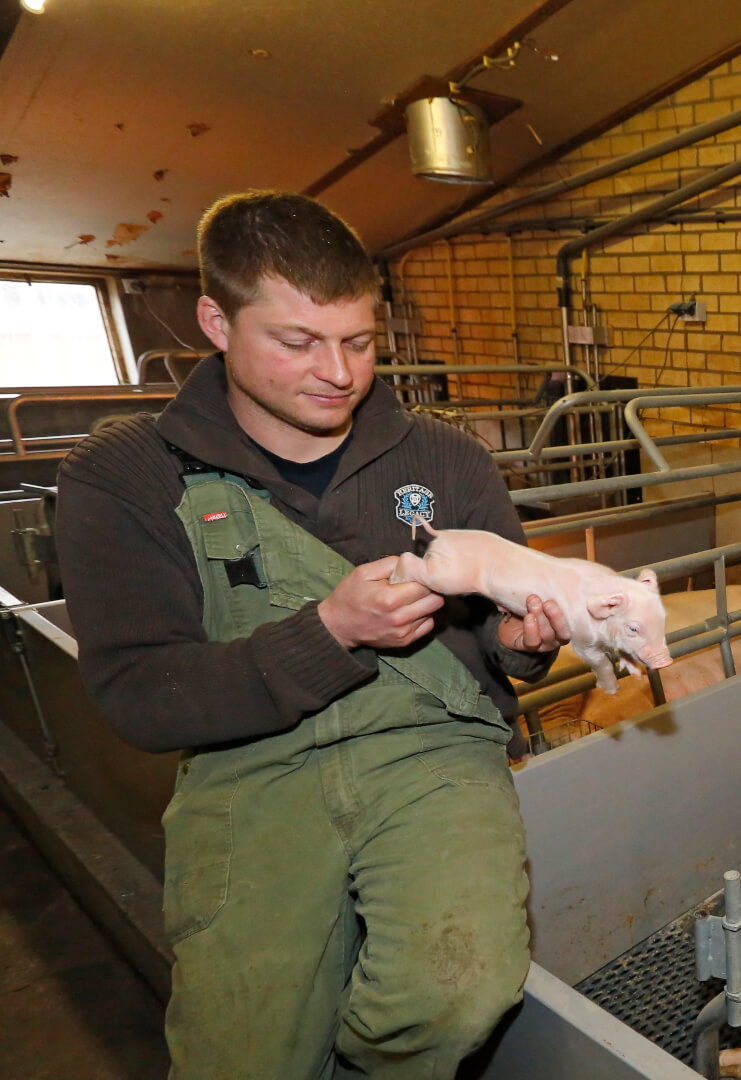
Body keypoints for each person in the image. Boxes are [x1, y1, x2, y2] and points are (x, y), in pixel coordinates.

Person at [55, 191, 570, 1080]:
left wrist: (525, 640)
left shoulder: (447, 460)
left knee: (450, 995)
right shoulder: (125, 473)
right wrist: (330, 632)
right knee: (241, 1054)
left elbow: (499, 637)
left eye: (359, 342)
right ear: (216, 321)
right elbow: (139, 696)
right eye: (297, 342)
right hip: (250, 765)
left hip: (428, 751)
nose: (337, 372)